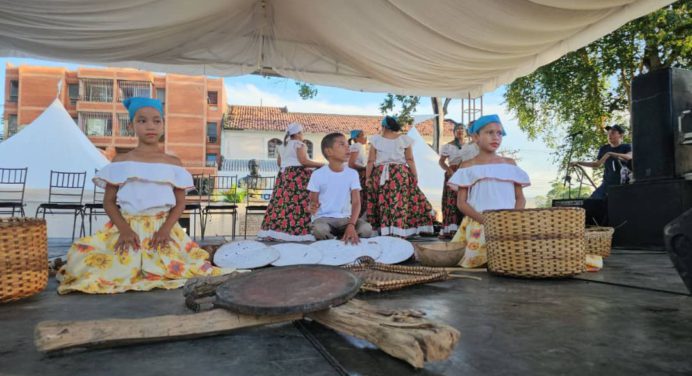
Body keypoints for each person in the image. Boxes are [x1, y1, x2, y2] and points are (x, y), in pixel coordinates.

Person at [57, 97, 225, 294]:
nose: (150, 126)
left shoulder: (173, 163)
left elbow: (180, 203)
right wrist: (125, 231)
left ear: (163, 125)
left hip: (163, 231)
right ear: (132, 126)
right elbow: (109, 202)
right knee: (86, 261)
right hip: (127, 231)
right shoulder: (121, 161)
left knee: (190, 265)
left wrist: (165, 231)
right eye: (142, 121)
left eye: (156, 120)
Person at [448, 114, 530, 268]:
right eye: (489, 132)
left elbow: (520, 199)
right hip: (479, 224)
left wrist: (513, 220)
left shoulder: (510, 164)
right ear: (476, 137)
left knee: (514, 262)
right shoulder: (467, 166)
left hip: (507, 225)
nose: (496, 137)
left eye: (499, 133)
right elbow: (462, 203)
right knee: (476, 262)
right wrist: (487, 221)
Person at [365, 116, 435, 237]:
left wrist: (368, 177)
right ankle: (399, 230)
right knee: (400, 202)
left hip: (381, 174)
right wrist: (414, 175)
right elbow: (410, 159)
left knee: (383, 201)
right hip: (399, 174)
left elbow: (370, 161)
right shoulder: (404, 139)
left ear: (384, 127)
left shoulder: (376, 140)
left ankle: (385, 230)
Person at [257, 122, 323, 241]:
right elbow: (303, 161)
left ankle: (277, 232)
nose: (302, 135)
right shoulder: (299, 144)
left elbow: (279, 163)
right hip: (298, 177)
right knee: (300, 203)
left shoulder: (282, 146)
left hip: (284, 176)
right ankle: (299, 232)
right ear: (297, 134)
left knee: (282, 204)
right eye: (301, 132)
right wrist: (321, 165)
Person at [308, 133, 374, 243]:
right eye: (341, 144)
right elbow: (313, 201)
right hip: (324, 219)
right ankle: (340, 241)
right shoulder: (317, 174)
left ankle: (339, 239)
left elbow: (357, 202)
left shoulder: (352, 174)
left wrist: (351, 225)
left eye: (347, 144)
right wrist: (313, 206)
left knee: (366, 229)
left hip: (346, 219)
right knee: (320, 230)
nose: (347, 147)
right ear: (329, 151)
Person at [570, 124, 632, 199]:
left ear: (621, 135)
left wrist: (610, 154)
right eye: (608, 134)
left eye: (612, 133)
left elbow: (629, 157)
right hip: (606, 184)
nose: (609, 135)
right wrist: (578, 162)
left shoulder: (627, 146)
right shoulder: (604, 149)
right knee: (591, 203)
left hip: (623, 184)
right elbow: (596, 164)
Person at [438, 122, 466, 238]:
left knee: (465, 199)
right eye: (457, 129)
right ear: (454, 132)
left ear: (465, 132)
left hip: (465, 173)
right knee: (452, 201)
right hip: (453, 173)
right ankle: (451, 229)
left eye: (462, 129)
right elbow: (441, 161)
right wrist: (449, 170)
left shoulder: (470, 146)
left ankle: (464, 228)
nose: (460, 131)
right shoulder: (448, 146)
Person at [348, 129, 368, 216]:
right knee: (358, 197)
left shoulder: (359, 146)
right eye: (363, 135)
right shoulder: (357, 146)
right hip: (357, 176)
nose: (365, 137)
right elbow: (351, 164)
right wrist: (364, 168)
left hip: (359, 175)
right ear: (357, 138)